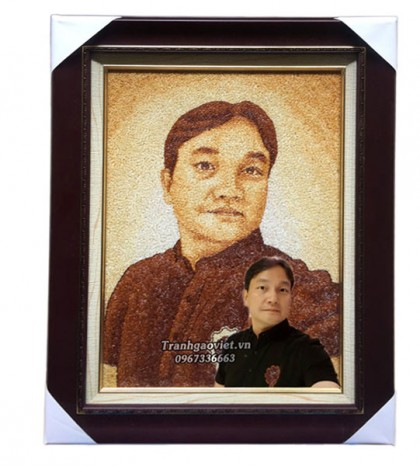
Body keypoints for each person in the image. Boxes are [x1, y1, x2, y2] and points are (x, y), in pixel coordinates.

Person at [103, 100, 340, 387]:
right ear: (168, 184)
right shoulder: (138, 281)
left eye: (251, 170)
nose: (230, 190)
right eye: (205, 165)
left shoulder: (299, 288)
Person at [215, 256, 339, 388]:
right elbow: (218, 395)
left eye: (282, 290)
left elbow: (328, 392)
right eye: (262, 287)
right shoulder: (233, 344)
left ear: (290, 298)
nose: (273, 299)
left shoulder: (308, 350)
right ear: (246, 297)